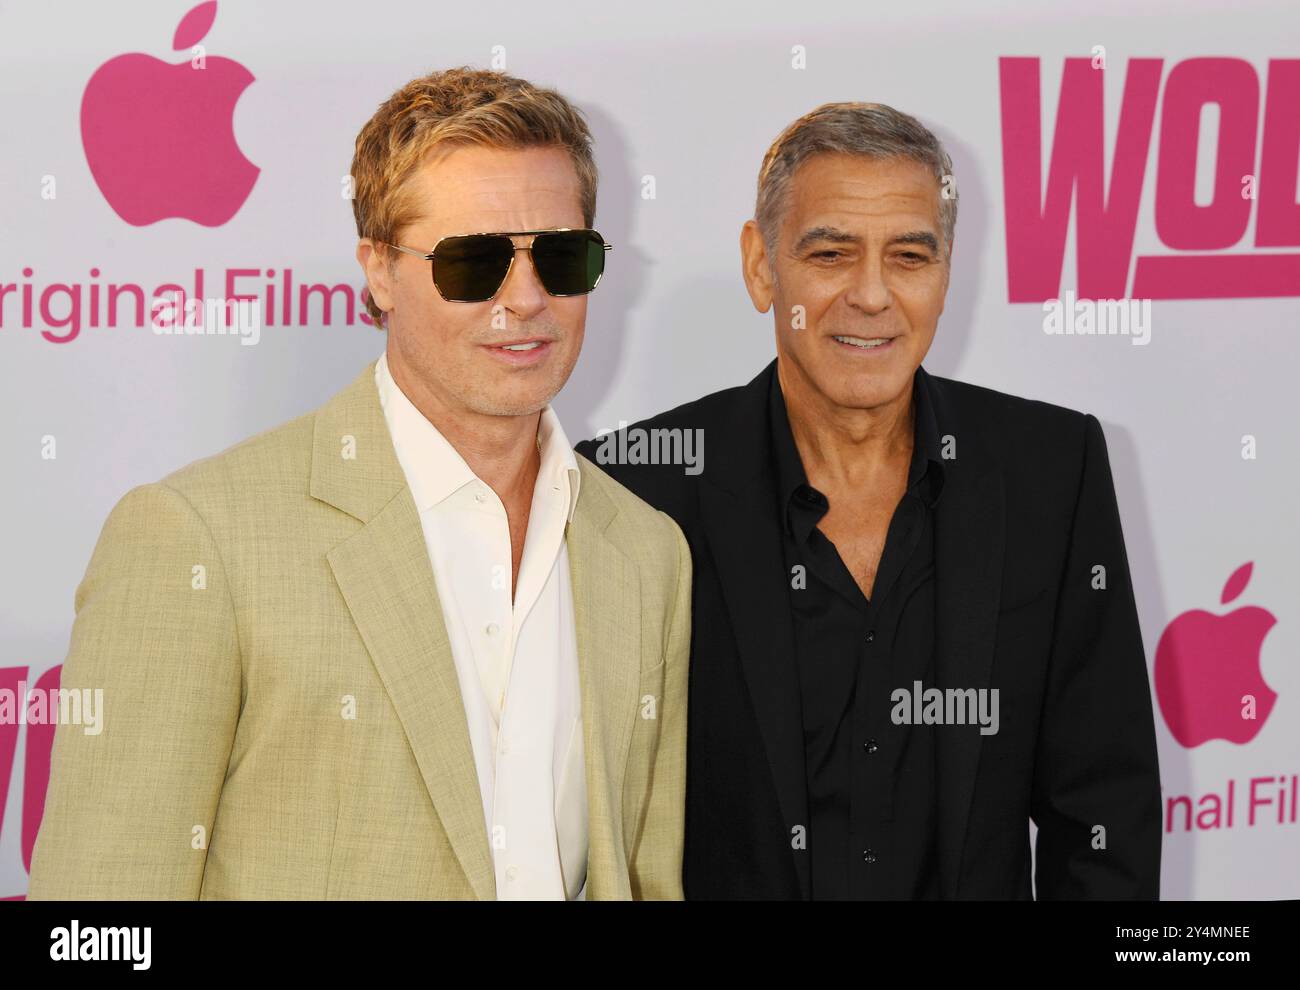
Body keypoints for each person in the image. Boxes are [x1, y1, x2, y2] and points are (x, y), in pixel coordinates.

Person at [29, 67, 690, 900]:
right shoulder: (199, 541)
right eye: (474, 261)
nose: (525, 299)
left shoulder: (644, 550)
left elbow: (648, 877)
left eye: (560, 256)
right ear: (379, 272)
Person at [576, 102, 1161, 900]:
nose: (873, 295)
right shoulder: (634, 487)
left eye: (910, 257)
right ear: (761, 266)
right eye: (831, 253)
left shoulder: (1051, 472)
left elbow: (1103, 816)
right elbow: (599, 826)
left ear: (947, 272)